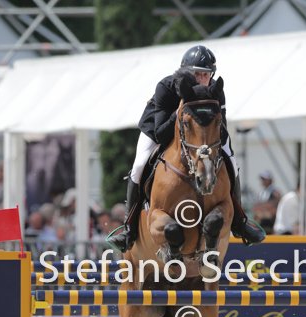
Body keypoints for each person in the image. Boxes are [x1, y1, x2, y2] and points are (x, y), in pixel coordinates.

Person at [107, 45, 265, 252]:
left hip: (200, 137)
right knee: (139, 166)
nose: (202, 79)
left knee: (232, 162)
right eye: (197, 74)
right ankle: (129, 227)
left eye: (206, 74)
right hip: (157, 129)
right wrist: (181, 111)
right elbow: (161, 133)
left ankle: (240, 221)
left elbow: (222, 130)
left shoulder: (215, 91)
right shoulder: (166, 87)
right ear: (185, 73)